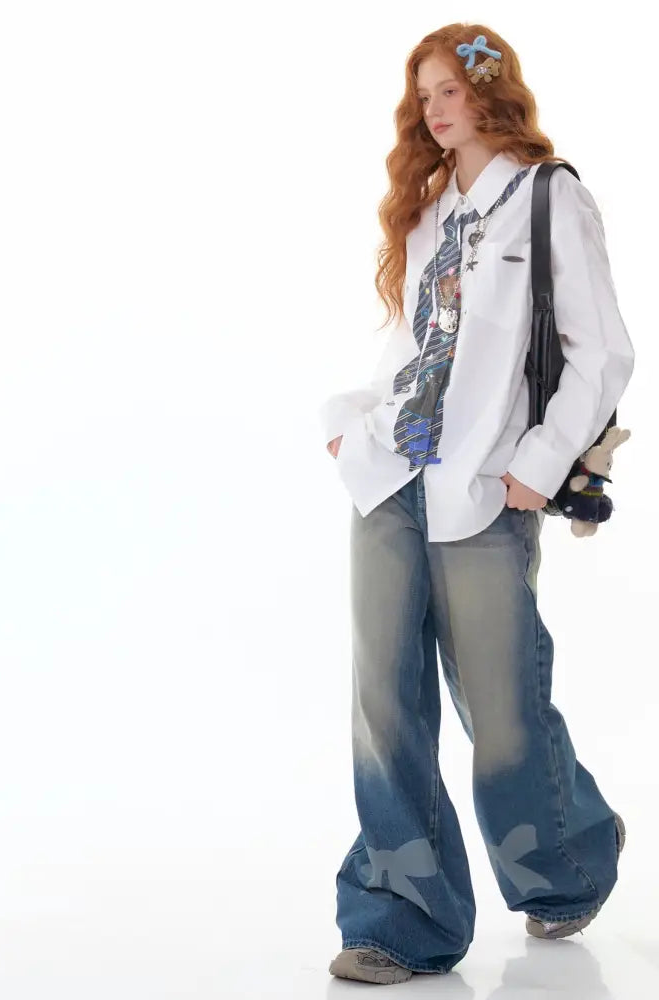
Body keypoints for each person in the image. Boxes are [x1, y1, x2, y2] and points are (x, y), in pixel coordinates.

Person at [321, 22, 634, 986]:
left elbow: (602, 351)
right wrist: (349, 421)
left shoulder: (548, 196)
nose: (433, 109)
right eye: (423, 94)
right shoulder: (425, 212)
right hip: (390, 478)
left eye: (449, 89)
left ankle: (567, 862)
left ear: (491, 90)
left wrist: (538, 465)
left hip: (485, 489)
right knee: (385, 706)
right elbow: (416, 347)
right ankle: (399, 920)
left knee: (500, 706)